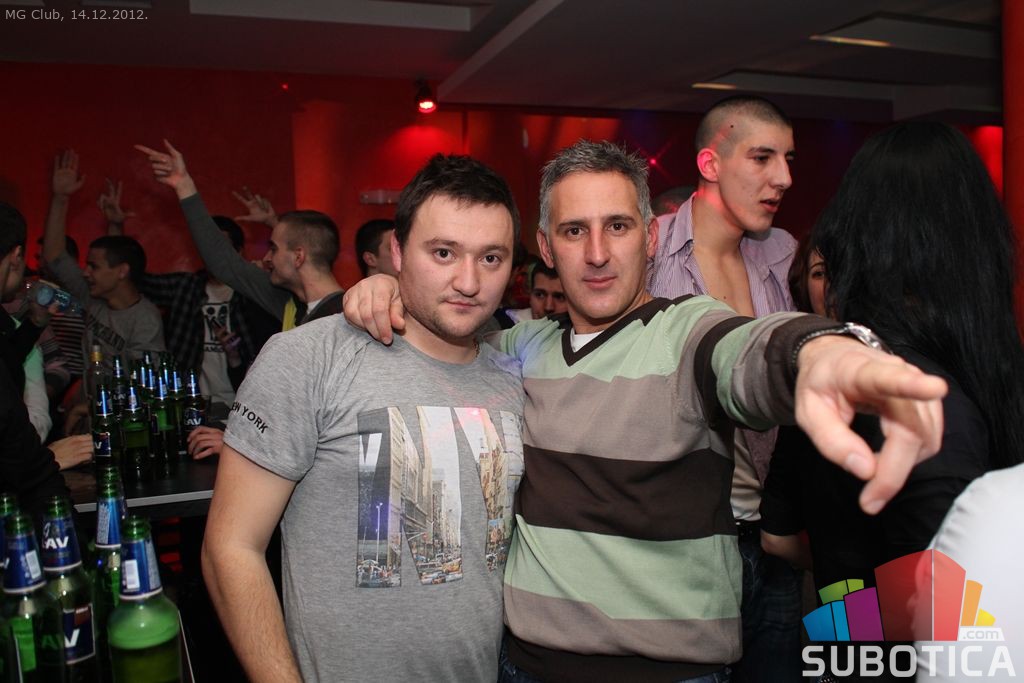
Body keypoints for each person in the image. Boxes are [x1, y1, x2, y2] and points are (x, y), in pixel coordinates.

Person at [343, 140, 947, 682]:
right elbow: (446, 336)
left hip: (672, 673)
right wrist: (391, 290)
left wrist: (818, 351)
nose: (598, 253)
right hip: (526, 664)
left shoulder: (687, 331)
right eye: (574, 231)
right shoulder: (520, 347)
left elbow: (748, 350)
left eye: (618, 226)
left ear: (651, 237)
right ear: (547, 247)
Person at [202, 154, 526, 682]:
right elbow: (231, 548)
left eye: (491, 258)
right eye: (443, 252)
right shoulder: (308, 357)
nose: (468, 281)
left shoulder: (514, 376)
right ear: (397, 252)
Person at [761, 123, 1024, 640]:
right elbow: (949, 610)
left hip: (846, 649)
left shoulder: (836, 376)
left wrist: (845, 601)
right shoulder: (929, 395)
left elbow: (777, 538)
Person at [646, 96, 800, 680]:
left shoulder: (783, 255)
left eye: (787, 159)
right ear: (710, 164)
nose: (783, 178)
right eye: (762, 158)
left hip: (772, 536)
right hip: (680, 540)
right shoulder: (648, 246)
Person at [135, 141, 345, 328]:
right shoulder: (290, 303)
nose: (266, 258)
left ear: (299, 257)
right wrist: (184, 186)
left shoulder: (349, 317)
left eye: (273, 249)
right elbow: (225, 263)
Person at [42, 150, 166, 365]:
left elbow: (144, 381)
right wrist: (60, 198)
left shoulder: (145, 320)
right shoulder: (94, 297)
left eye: (94, 266)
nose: (85, 272)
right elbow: (54, 256)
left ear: (123, 272)